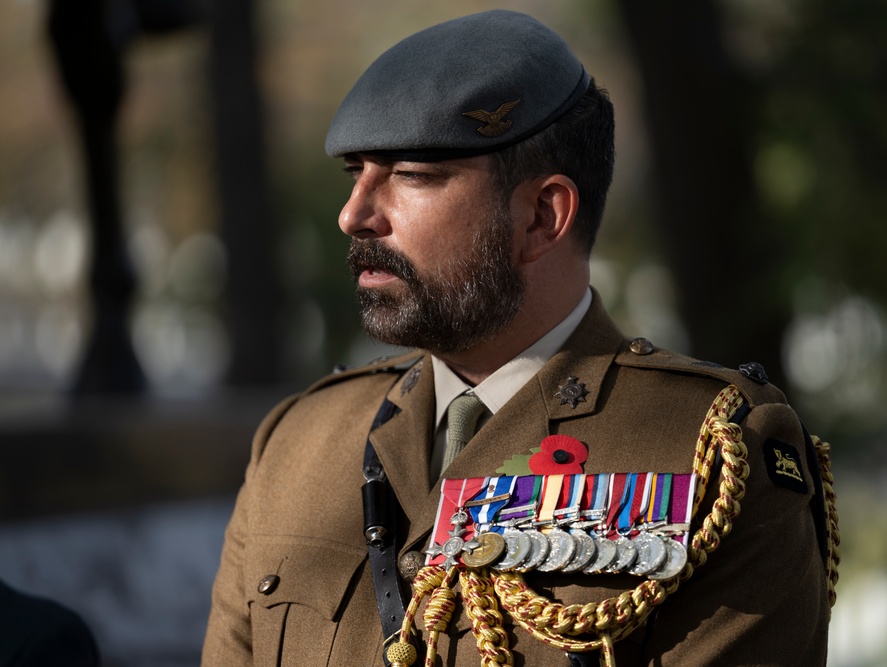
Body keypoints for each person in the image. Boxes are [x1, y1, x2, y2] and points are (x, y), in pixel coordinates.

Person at [203, 9, 837, 666]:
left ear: (541, 216)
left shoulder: (712, 452)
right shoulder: (298, 445)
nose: (354, 214)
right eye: (356, 173)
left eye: (412, 174)